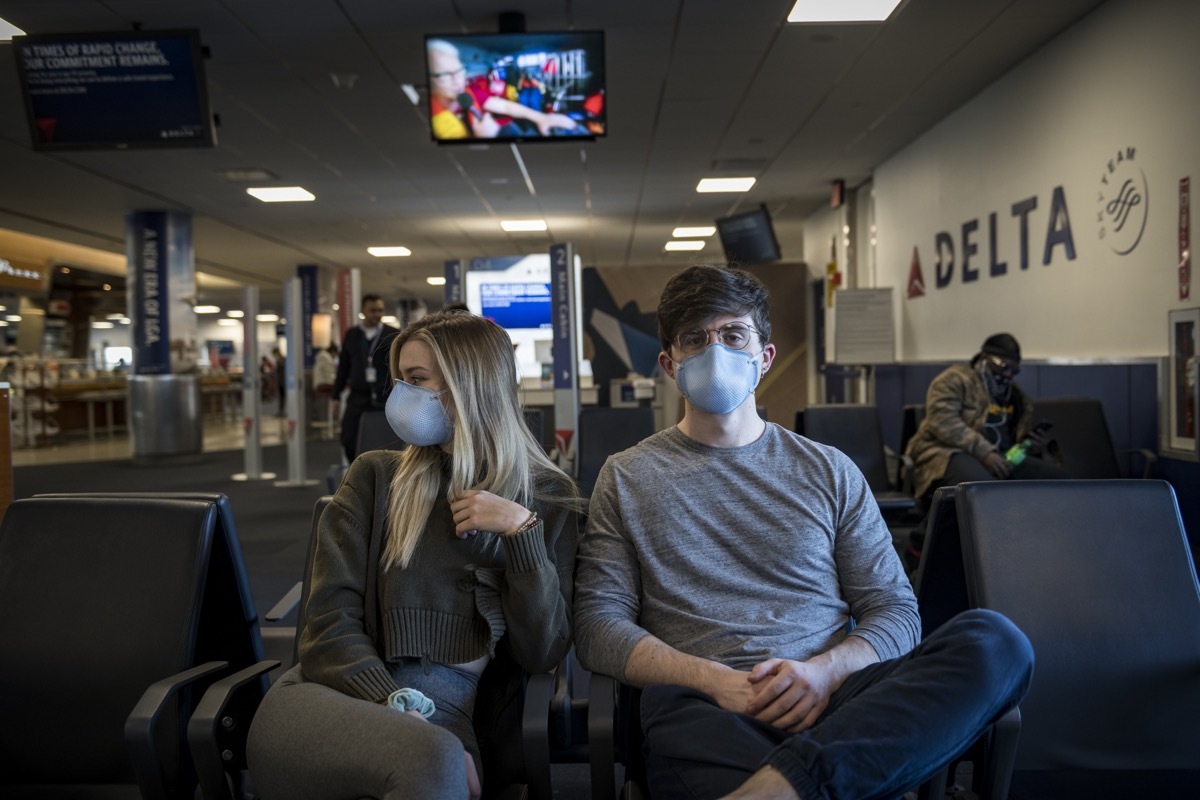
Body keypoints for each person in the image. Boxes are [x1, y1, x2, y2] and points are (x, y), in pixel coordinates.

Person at [572, 265, 1034, 800]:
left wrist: (824, 673)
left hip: (837, 699)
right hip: (708, 708)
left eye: (733, 335)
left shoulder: (829, 470)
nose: (714, 350)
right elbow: (598, 628)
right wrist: (714, 680)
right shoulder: (627, 476)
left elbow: (897, 612)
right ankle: (819, 782)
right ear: (669, 364)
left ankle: (782, 786)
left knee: (995, 643)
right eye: (695, 338)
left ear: (763, 357)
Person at [247, 310, 582, 799]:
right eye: (401, 380)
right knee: (433, 757)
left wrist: (520, 531)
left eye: (416, 380)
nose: (400, 396)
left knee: (434, 760)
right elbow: (325, 626)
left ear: (467, 385)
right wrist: (391, 701)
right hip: (325, 699)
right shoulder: (375, 477)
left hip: (446, 724)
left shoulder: (547, 499)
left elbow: (542, 652)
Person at [905, 332, 1066, 502]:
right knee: (982, 488)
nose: (1008, 375)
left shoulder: (1016, 396)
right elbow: (943, 423)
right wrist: (985, 453)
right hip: (947, 452)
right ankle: (940, 527)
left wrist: (1029, 446)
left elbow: (1017, 440)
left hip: (1003, 458)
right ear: (984, 357)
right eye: (1003, 366)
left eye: (1014, 370)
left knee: (1057, 481)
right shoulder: (954, 380)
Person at [426, 39, 579, 140]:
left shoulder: (469, 92)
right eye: (445, 74)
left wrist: (541, 118)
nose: (457, 80)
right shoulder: (430, 120)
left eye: (459, 71)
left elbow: (504, 105)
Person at [333, 295, 399, 461]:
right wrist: (336, 395)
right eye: (372, 310)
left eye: (380, 310)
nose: (377, 314)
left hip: (385, 397)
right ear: (363, 311)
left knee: (386, 441)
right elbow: (343, 367)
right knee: (349, 439)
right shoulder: (352, 335)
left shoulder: (392, 335)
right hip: (358, 397)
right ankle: (356, 473)